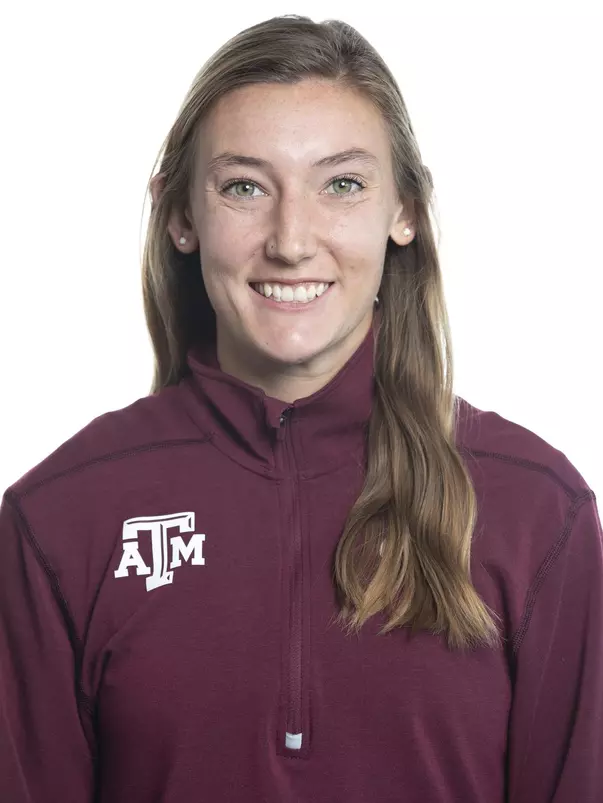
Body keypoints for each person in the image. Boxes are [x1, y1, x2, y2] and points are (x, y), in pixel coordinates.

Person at [0, 13, 601, 803]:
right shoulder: (59, 516)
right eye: (244, 187)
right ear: (180, 214)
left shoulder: (535, 510)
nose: (291, 239)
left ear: (404, 212)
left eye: (341, 185)